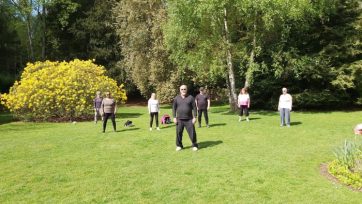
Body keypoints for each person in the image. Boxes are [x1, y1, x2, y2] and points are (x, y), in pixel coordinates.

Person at [172, 85, 198, 151]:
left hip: (189, 119)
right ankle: (179, 145)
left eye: (184, 89)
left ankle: (194, 145)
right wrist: (174, 117)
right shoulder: (176, 98)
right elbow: (174, 108)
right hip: (179, 119)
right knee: (178, 133)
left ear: (186, 90)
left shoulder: (191, 98)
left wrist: (195, 117)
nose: (183, 90)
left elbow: (194, 108)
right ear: (180, 90)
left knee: (192, 133)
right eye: (182, 89)